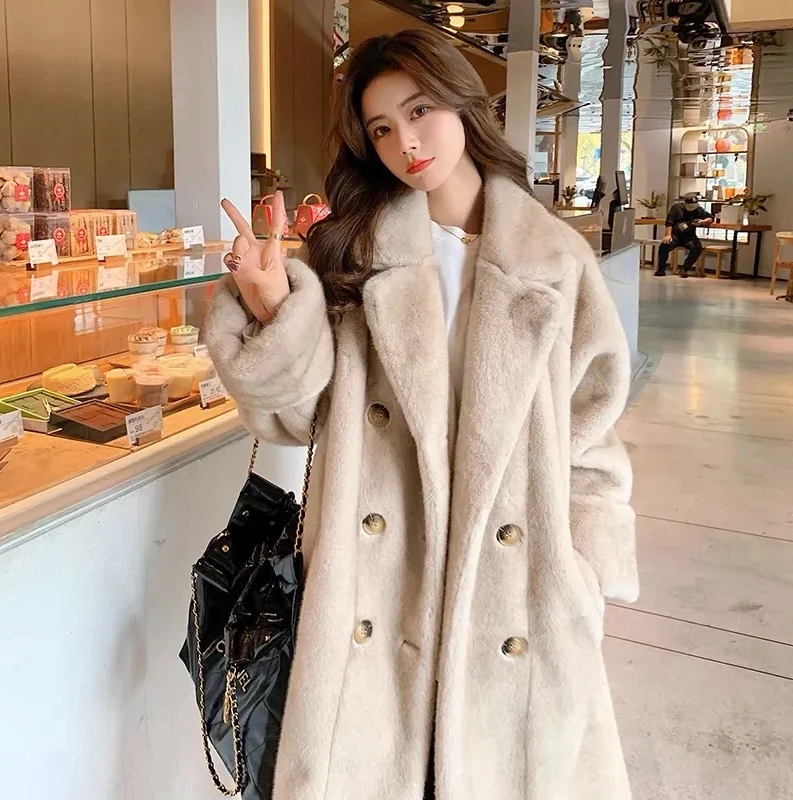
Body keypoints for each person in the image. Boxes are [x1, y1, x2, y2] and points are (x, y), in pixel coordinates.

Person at [206, 29, 638, 800]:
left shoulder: (554, 260)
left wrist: (584, 572)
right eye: (381, 128)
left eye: (419, 111)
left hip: (512, 597)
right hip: (378, 592)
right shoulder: (354, 256)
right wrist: (273, 310)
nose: (405, 143)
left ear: (463, 104)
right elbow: (302, 418)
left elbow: (592, 431)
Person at [655, 193, 714, 277]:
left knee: (697, 247)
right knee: (664, 245)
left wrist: (702, 222)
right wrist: (668, 235)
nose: (692, 208)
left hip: (689, 236)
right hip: (675, 235)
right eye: (690, 206)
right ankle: (661, 269)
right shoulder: (676, 208)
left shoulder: (698, 210)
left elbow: (711, 218)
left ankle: (685, 268)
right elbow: (669, 222)